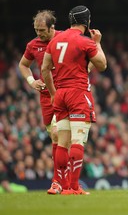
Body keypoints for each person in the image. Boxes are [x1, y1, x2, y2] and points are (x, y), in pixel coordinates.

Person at [42, 5, 107, 195]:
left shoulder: (55, 41)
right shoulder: (85, 42)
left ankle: (60, 185)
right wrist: (98, 43)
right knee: (78, 141)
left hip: (60, 94)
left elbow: (45, 68)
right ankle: (73, 186)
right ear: (87, 22)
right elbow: (102, 65)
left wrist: (53, 92)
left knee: (62, 142)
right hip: (78, 93)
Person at [18, 10, 62, 193]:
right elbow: (23, 65)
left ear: (52, 27)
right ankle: (61, 178)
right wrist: (31, 81)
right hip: (45, 96)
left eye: (42, 30)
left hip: (63, 93)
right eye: (36, 29)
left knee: (59, 134)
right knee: (55, 136)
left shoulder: (64, 38)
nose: (39, 33)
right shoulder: (33, 45)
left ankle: (58, 179)